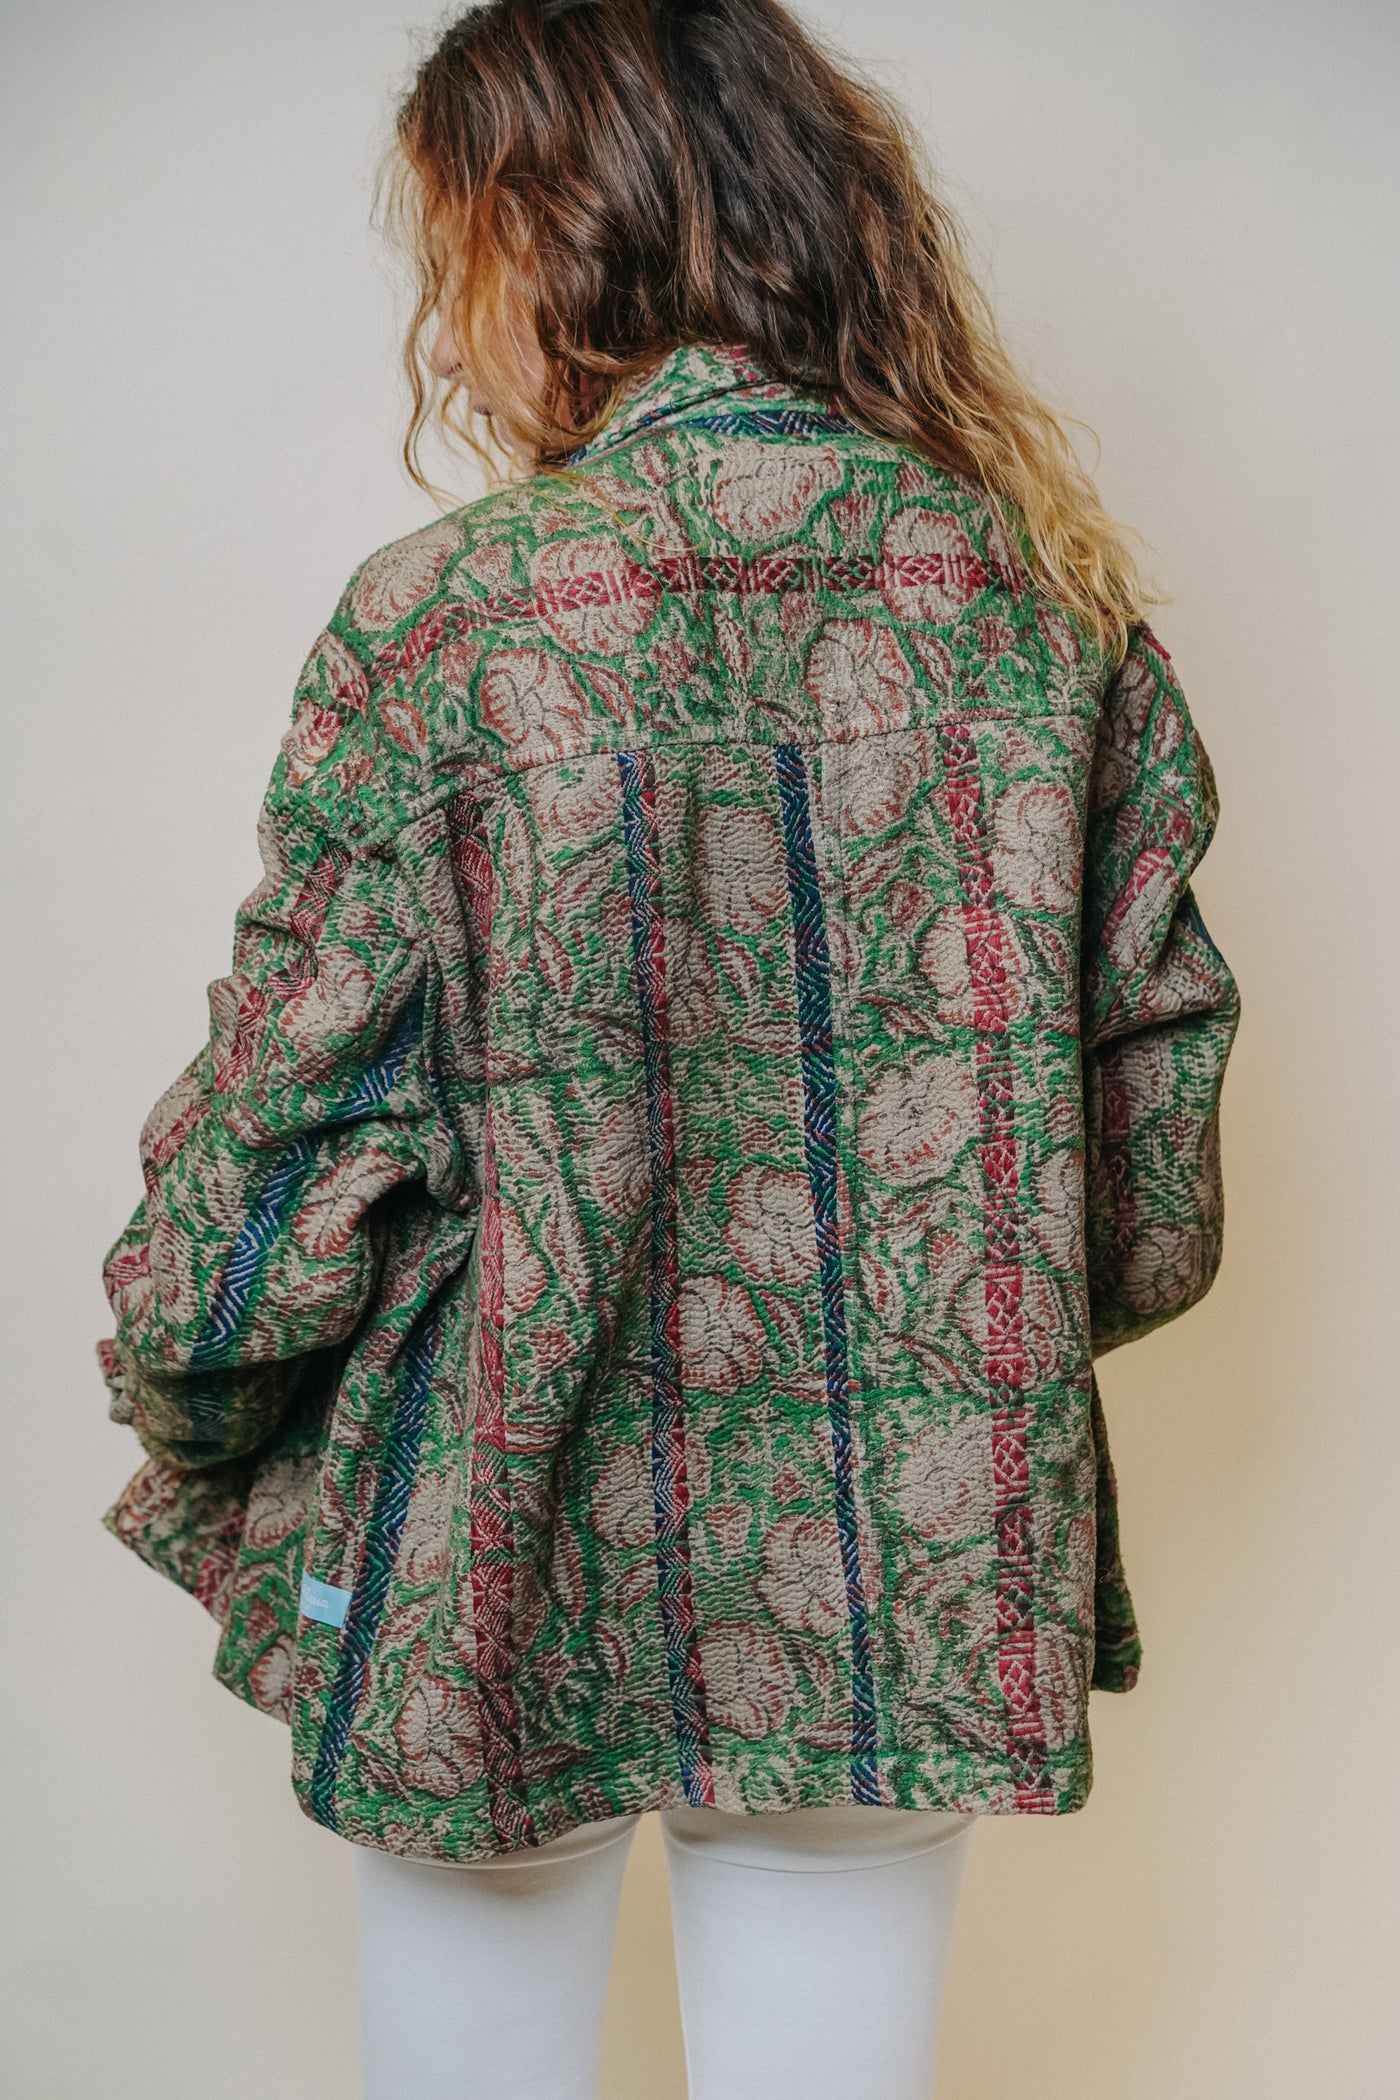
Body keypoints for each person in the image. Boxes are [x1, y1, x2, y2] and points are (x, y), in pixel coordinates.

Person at [94, 2, 1240, 2094]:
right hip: (904, 1571)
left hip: (492, 1542)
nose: (447, 342)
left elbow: (276, 1149)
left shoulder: (451, 622)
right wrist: (926, 1361)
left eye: (454, 256)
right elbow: (1146, 1196)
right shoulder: (1044, 609)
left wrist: (186, 1395)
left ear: (559, 225)